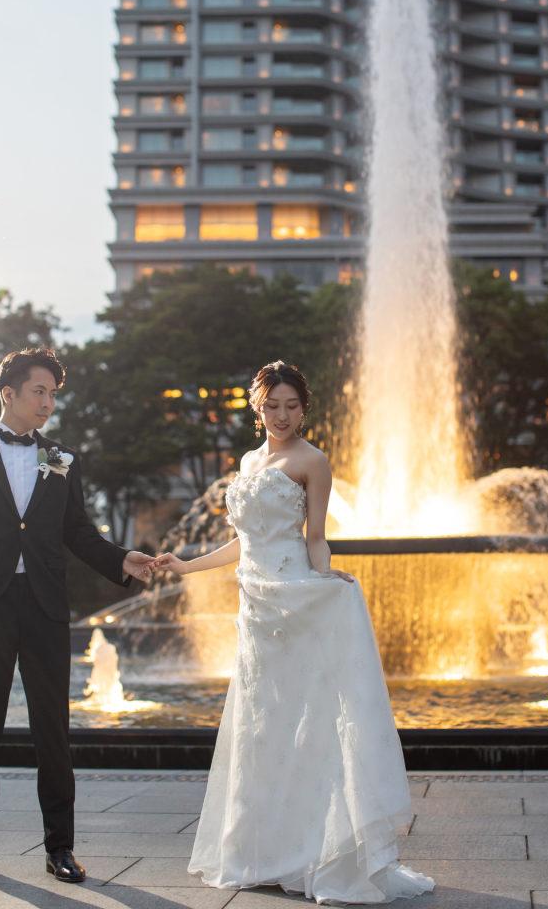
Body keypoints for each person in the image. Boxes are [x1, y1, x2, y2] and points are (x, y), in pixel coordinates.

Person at [150, 360, 435, 904]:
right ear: (257, 409)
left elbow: (314, 537)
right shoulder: (250, 460)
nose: (281, 415)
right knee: (263, 728)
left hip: (295, 601)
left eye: (291, 405)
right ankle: (263, 852)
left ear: (305, 409)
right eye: (271, 405)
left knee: (311, 724)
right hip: (255, 608)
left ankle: (316, 854)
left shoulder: (313, 460)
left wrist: (326, 575)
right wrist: (188, 565)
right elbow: (246, 542)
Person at [0, 347, 154, 886]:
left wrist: (121, 559)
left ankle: (61, 849)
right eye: (40, 392)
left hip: (45, 605)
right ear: (8, 394)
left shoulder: (57, 456)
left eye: (54, 394)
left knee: (52, 730)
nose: (49, 403)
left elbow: (75, 530)